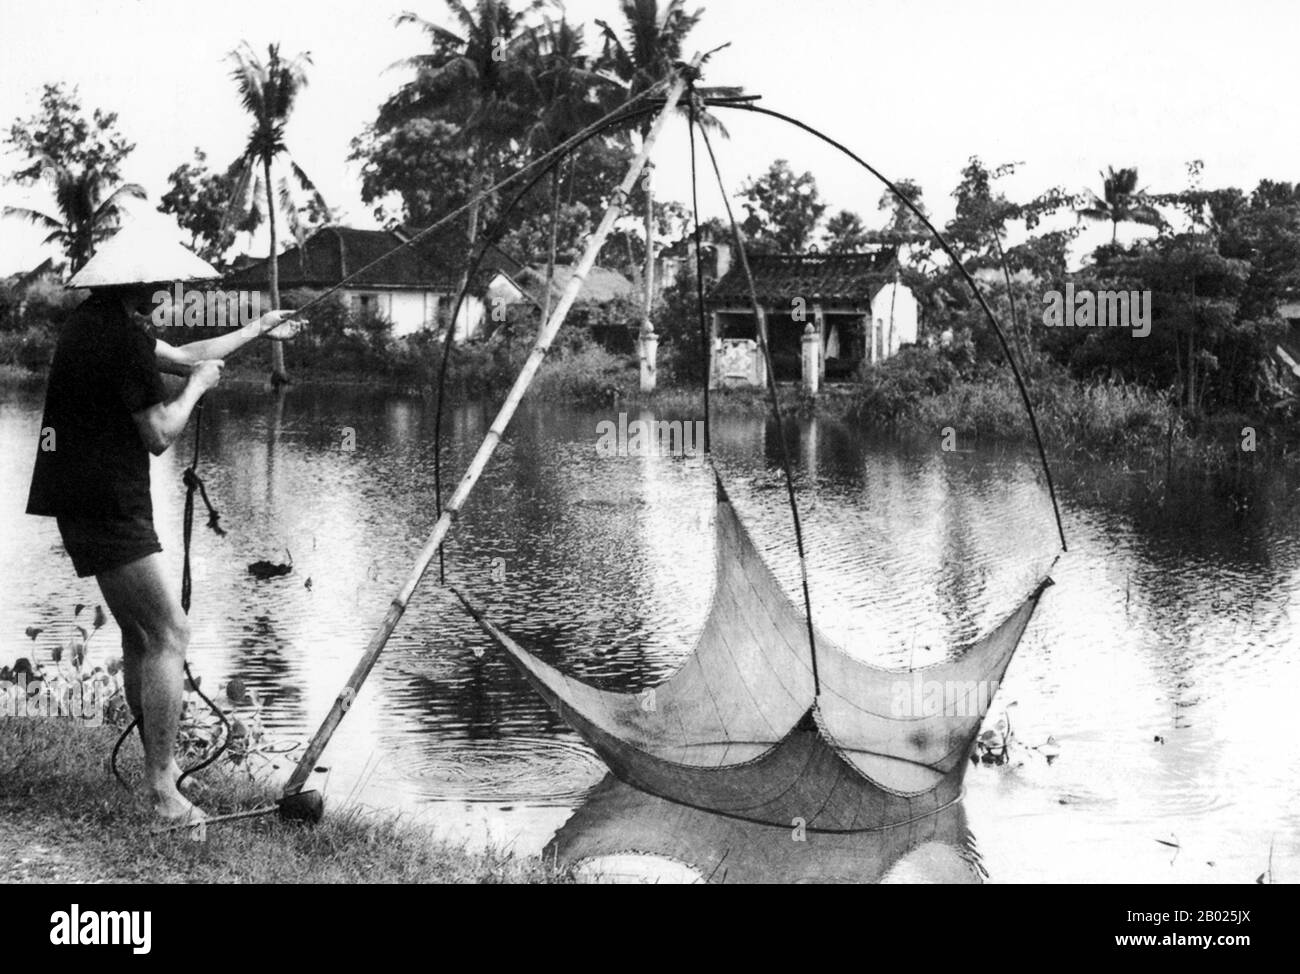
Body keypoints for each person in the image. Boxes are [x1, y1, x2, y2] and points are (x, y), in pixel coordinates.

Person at [25, 222, 301, 828]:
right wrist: (198, 389)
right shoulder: (121, 338)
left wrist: (258, 328)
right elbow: (159, 433)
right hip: (106, 501)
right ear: (141, 283)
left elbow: (184, 356)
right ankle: (160, 790)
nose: (169, 291)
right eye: (164, 282)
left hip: (85, 497)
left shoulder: (95, 324)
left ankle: (162, 772)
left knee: (140, 634)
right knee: (169, 632)